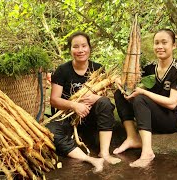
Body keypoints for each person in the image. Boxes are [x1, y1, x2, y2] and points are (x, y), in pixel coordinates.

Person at [113, 29, 177, 168]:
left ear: (174, 45)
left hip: (170, 120)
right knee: (120, 93)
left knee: (140, 98)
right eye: (156, 43)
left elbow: (172, 104)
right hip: (151, 117)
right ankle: (132, 138)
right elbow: (129, 80)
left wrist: (143, 92)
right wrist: (119, 80)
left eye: (164, 43)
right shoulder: (150, 67)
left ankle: (147, 152)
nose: (159, 46)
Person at [46, 31, 121, 172]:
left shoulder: (98, 68)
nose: (80, 50)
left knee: (104, 102)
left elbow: (107, 100)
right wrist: (74, 105)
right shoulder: (62, 71)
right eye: (75, 47)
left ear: (89, 48)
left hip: (91, 118)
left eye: (84, 46)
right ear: (70, 50)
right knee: (51, 131)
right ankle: (91, 160)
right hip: (69, 118)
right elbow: (54, 100)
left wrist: (96, 98)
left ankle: (104, 153)